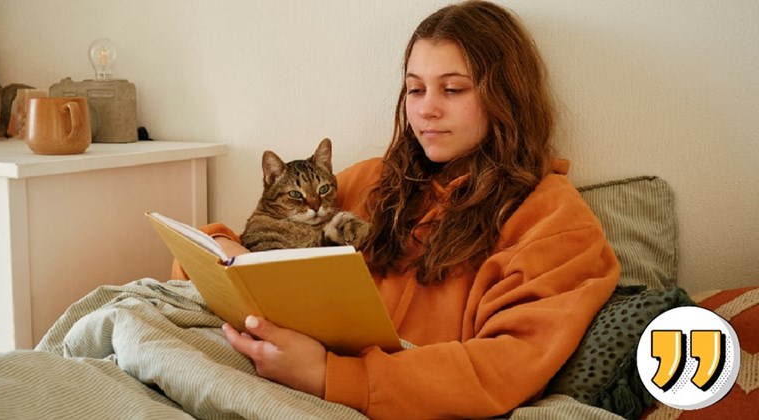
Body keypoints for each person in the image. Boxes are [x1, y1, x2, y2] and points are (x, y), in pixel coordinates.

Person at [173, 1, 619, 418]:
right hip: (267, 370)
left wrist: (328, 375)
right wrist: (224, 247)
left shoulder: (555, 220)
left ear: (507, 96)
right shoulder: (373, 180)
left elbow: (506, 367)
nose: (427, 109)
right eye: (414, 89)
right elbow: (229, 251)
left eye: (453, 89)